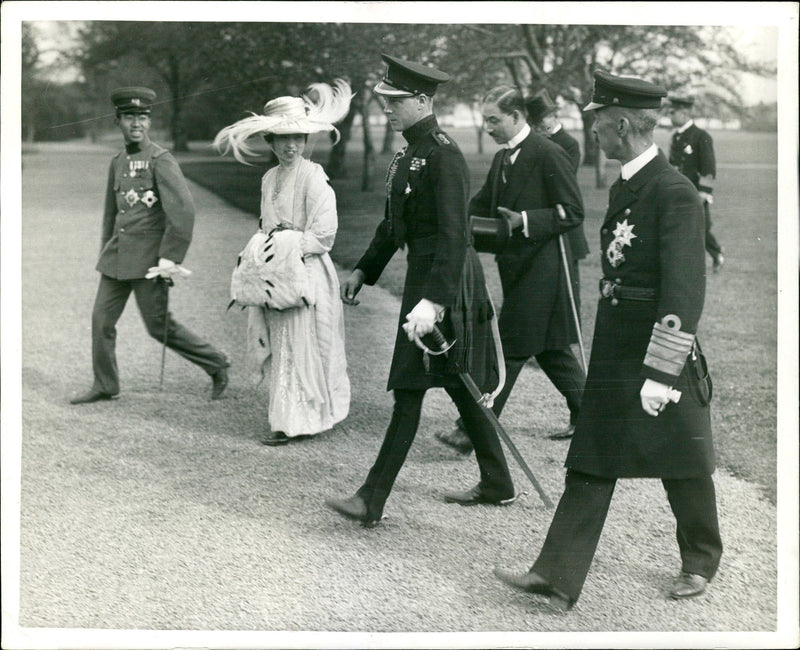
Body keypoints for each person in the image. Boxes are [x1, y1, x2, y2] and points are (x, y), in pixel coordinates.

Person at [494, 70, 722, 611]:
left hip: (656, 347)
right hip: (617, 343)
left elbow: (685, 290)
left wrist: (664, 371)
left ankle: (701, 560)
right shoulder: (628, 183)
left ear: (621, 124)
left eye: (597, 119)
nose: (592, 128)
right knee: (592, 454)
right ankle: (556, 575)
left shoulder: (674, 191)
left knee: (682, 458)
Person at [325, 54, 516, 527]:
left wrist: (433, 302)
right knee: (456, 381)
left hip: (446, 282)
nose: (386, 110)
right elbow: (394, 226)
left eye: (395, 102)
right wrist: (364, 271)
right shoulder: (409, 153)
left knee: (410, 387)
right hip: (427, 280)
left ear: (423, 101)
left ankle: (372, 497)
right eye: (385, 101)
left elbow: (455, 235)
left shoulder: (443, 154)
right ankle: (498, 481)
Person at [436, 85, 586, 456]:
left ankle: (471, 428)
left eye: (494, 120)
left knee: (511, 347)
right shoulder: (504, 159)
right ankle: (596, 417)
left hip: (547, 271)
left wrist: (523, 220)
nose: (487, 127)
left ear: (517, 117)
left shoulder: (548, 154)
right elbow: (482, 203)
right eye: (484, 120)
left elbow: (572, 211)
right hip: (518, 267)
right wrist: (450, 222)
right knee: (551, 351)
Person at [70, 87, 230, 405]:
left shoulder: (161, 160)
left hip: (149, 261)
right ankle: (106, 384)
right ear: (118, 121)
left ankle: (216, 363)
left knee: (158, 327)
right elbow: (110, 215)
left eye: (142, 117)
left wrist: (169, 259)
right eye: (129, 117)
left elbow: (182, 211)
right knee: (101, 321)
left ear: (149, 121)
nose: (137, 124)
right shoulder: (116, 162)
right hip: (116, 259)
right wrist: (105, 249)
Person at [213, 80, 352, 446]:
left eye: (298, 138)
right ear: (270, 141)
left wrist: (288, 244)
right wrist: (267, 251)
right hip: (278, 274)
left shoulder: (313, 176)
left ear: (306, 142)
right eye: (282, 138)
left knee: (305, 343)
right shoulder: (269, 177)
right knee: (282, 343)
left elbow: (324, 233)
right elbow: (266, 226)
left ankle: (301, 419)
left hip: (307, 273)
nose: (291, 145)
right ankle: (287, 417)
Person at [668, 95, 725, 271]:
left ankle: (717, 254)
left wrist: (703, 193)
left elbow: (709, 167)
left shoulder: (701, 136)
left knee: (701, 229)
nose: (670, 116)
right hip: (678, 190)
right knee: (678, 227)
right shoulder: (676, 137)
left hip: (695, 192)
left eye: (673, 112)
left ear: (684, 113)